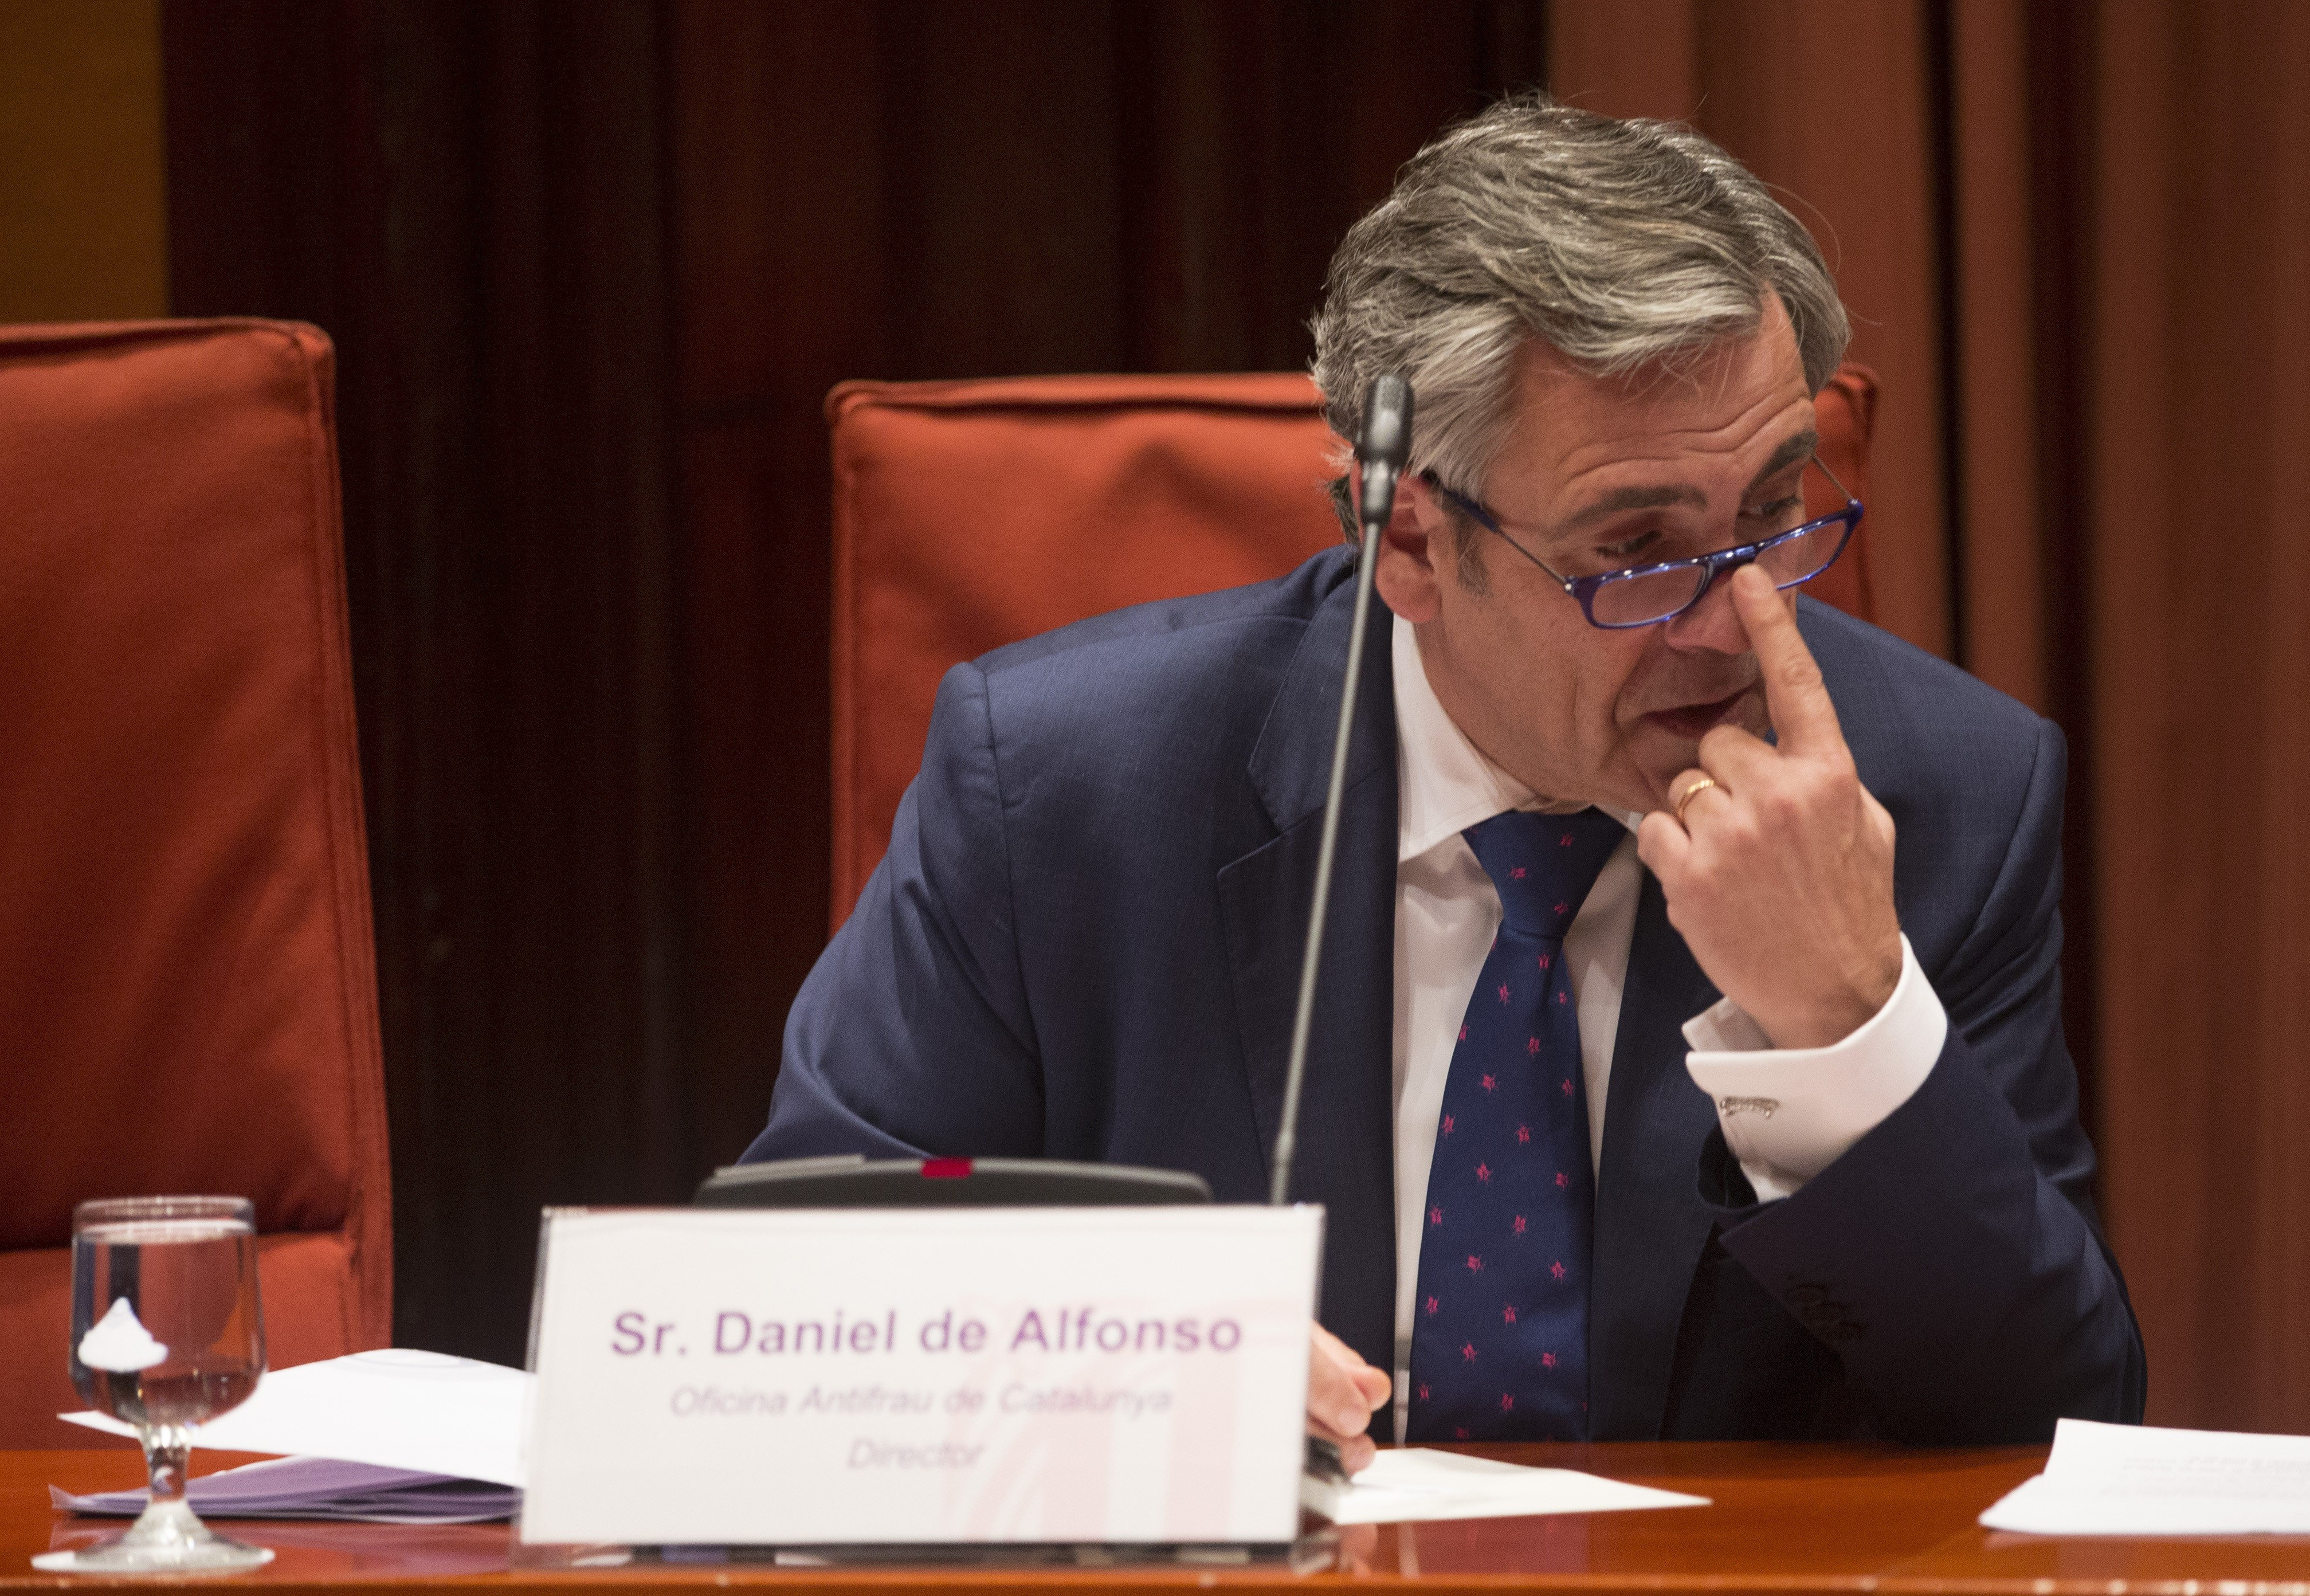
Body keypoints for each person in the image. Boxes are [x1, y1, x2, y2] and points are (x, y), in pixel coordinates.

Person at [746, 95, 2144, 1469]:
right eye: (1639, 550)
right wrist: (1139, 1344)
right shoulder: (1061, 786)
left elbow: (2060, 1421)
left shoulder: (1938, 794)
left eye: (1774, 513)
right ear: (1408, 541)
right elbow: (788, 1283)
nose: (1734, 624)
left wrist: (1843, 1025)